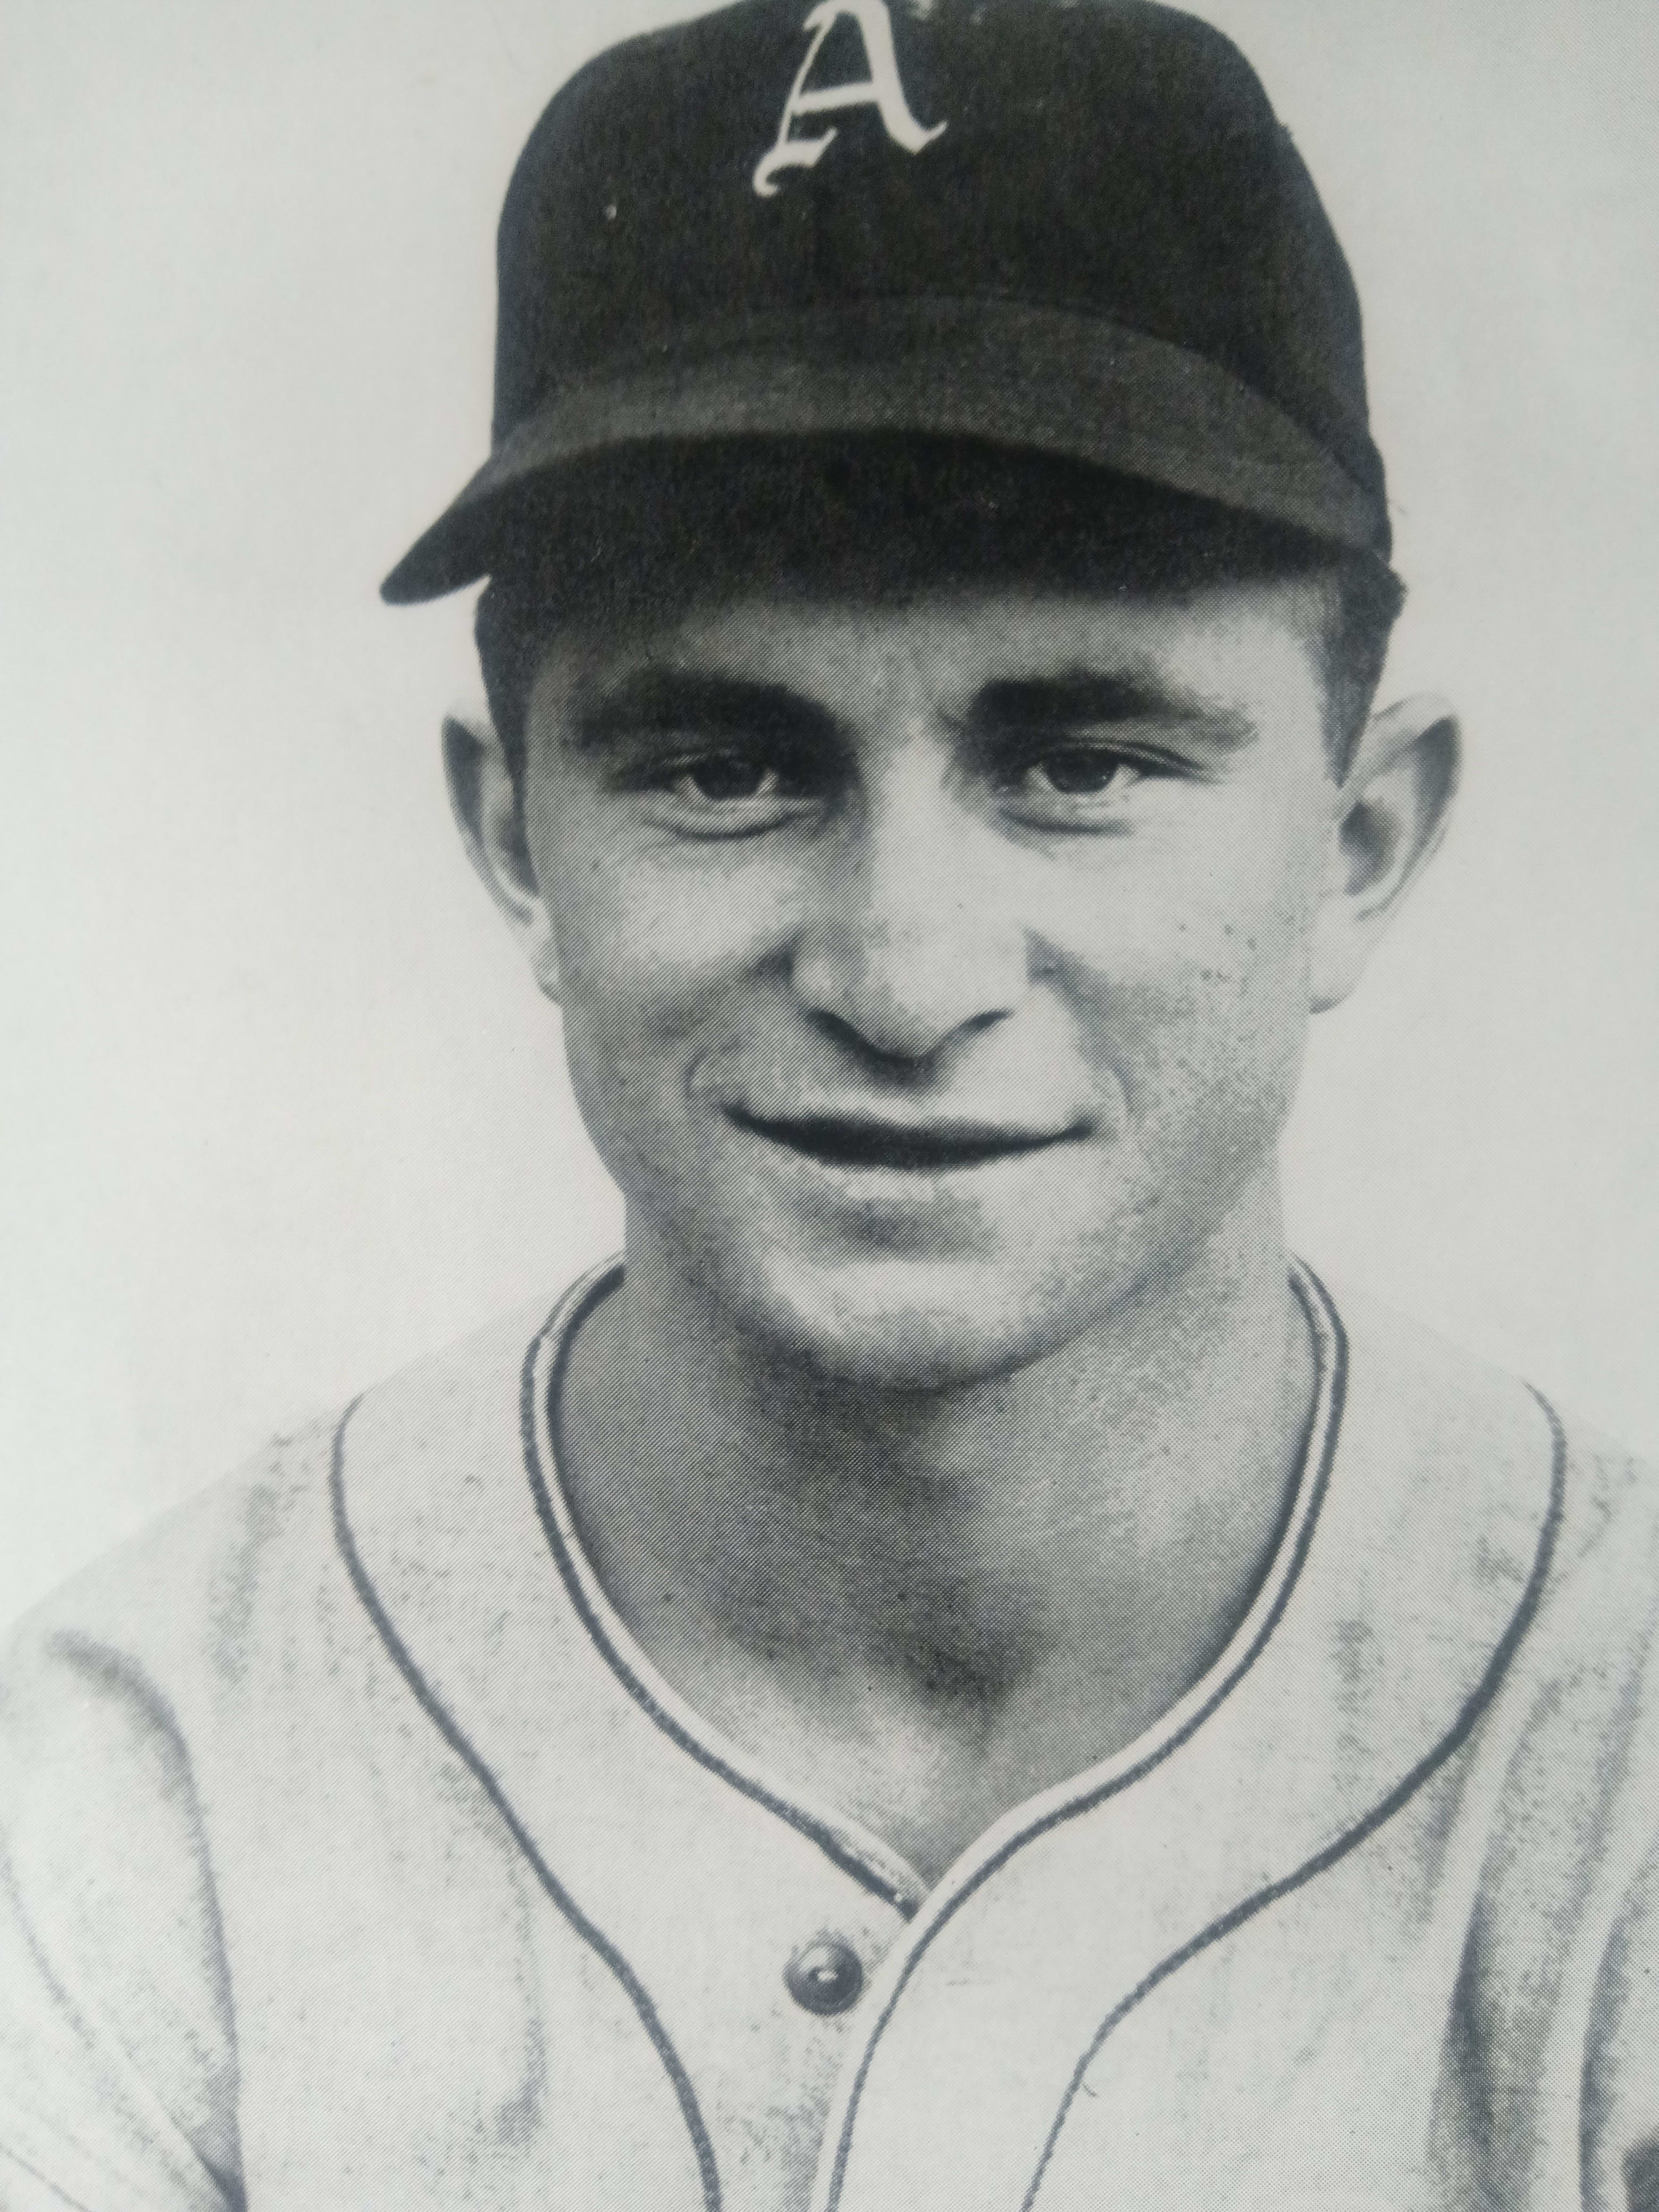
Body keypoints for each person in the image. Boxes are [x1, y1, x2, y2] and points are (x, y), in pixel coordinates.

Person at [2, 2, 1655, 2208]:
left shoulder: (1621, 1765)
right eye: (724, 768)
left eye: (1082, 763)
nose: (901, 972)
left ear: (1360, 841)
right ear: (516, 841)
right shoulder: (127, 1803)